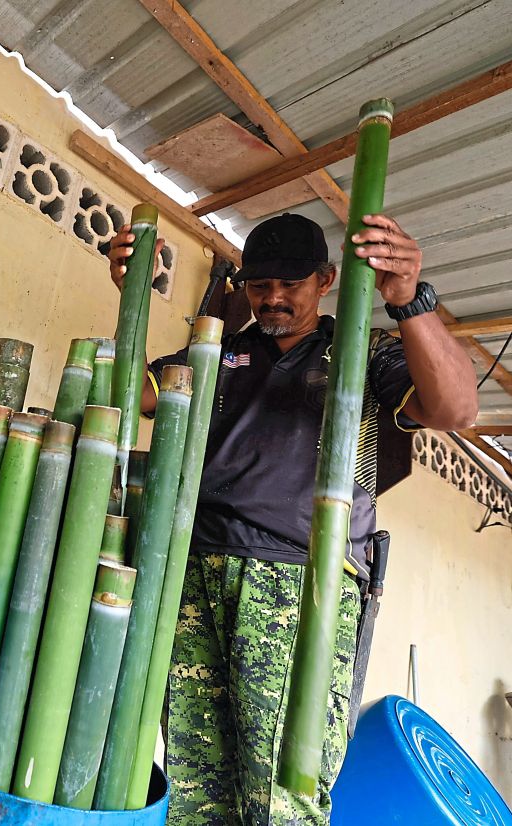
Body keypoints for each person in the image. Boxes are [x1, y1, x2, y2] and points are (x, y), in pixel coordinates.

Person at [106, 212, 477, 825]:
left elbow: (456, 409)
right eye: (259, 286)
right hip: (195, 573)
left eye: (290, 284)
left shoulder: (360, 351)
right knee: (198, 785)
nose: (272, 299)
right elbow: (132, 395)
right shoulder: (219, 352)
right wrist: (131, 296)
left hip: (300, 581)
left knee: (282, 792)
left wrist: (411, 304)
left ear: (326, 280)